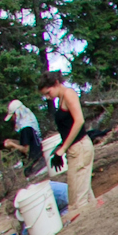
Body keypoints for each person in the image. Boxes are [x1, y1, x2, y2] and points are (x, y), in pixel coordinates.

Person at [40, 70, 95, 211]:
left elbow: (79, 121)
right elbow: (67, 128)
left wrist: (63, 148)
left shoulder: (69, 94)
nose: (47, 97)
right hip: (74, 150)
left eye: (48, 92)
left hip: (80, 148)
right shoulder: (61, 100)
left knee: (78, 201)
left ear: (56, 83)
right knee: (83, 194)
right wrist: (60, 149)